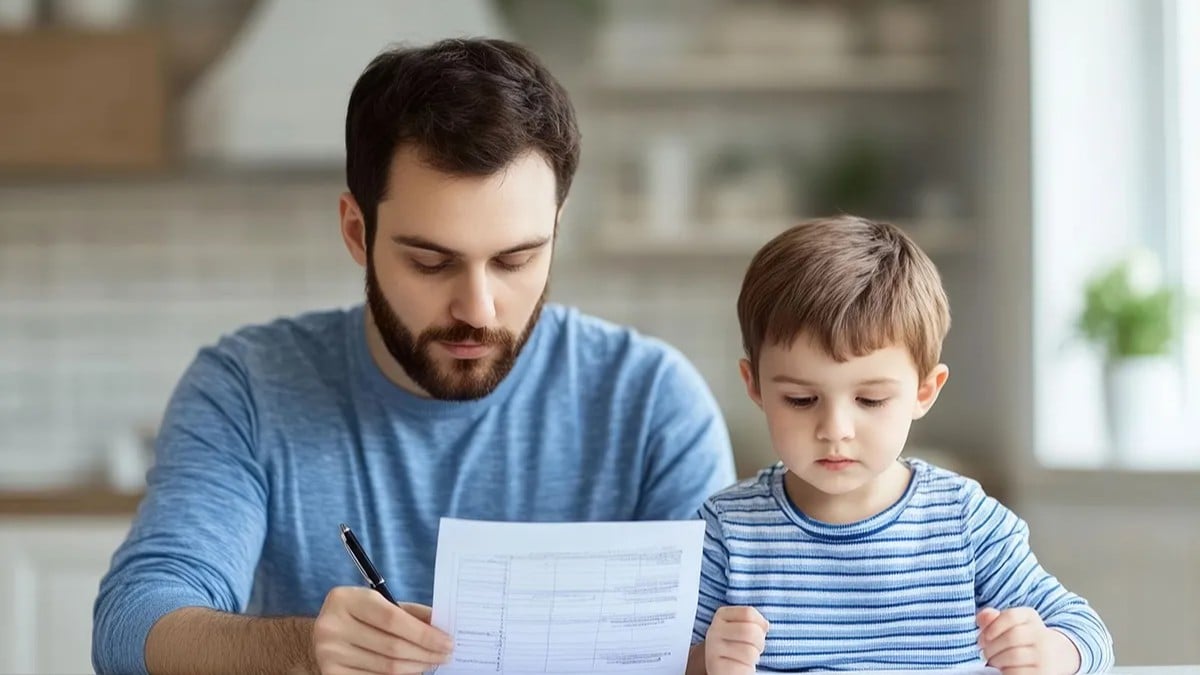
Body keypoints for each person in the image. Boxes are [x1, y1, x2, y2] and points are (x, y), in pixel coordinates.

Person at [93, 38, 736, 675]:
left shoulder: (654, 403)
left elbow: (714, 650)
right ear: (357, 232)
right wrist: (302, 649)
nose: (478, 309)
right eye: (431, 262)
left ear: (557, 230)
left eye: (516, 260)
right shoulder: (248, 389)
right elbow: (130, 628)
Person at [685, 216, 1114, 675]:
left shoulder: (964, 520)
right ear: (755, 387)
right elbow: (648, 658)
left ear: (924, 392)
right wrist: (705, 662)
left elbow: (1089, 633)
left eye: (870, 399)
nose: (835, 429)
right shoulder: (725, 532)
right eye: (800, 399)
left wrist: (1049, 651)